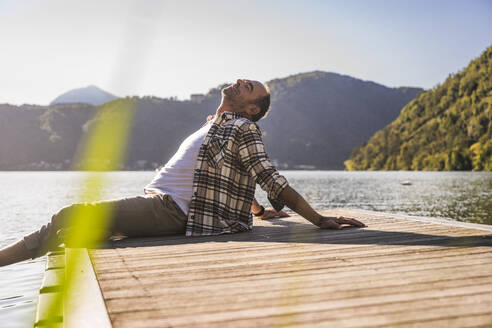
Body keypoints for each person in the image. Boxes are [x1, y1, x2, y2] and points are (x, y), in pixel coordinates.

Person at [0, 79, 365, 267]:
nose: (240, 81)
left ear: (253, 107)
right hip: (159, 204)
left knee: (69, 216)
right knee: (73, 231)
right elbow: (224, 175)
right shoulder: (216, 125)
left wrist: (318, 219)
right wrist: (256, 210)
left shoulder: (243, 128)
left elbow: (268, 176)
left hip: (171, 210)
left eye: (249, 86)